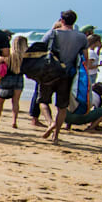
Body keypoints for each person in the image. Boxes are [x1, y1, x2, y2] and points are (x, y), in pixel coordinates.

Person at [39, 10, 89, 145]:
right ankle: (55, 136)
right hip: (67, 75)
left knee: (43, 101)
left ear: (62, 20)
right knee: (62, 106)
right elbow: (85, 59)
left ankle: (50, 123)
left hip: (49, 73)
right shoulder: (81, 37)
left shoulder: (52, 33)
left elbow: (41, 51)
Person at [0, 34, 27, 129]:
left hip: (6, 78)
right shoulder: (24, 57)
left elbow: (0, 64)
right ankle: (14, 121)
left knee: (1, 101)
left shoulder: (8, 56)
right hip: (19, 78)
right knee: (15, 102)